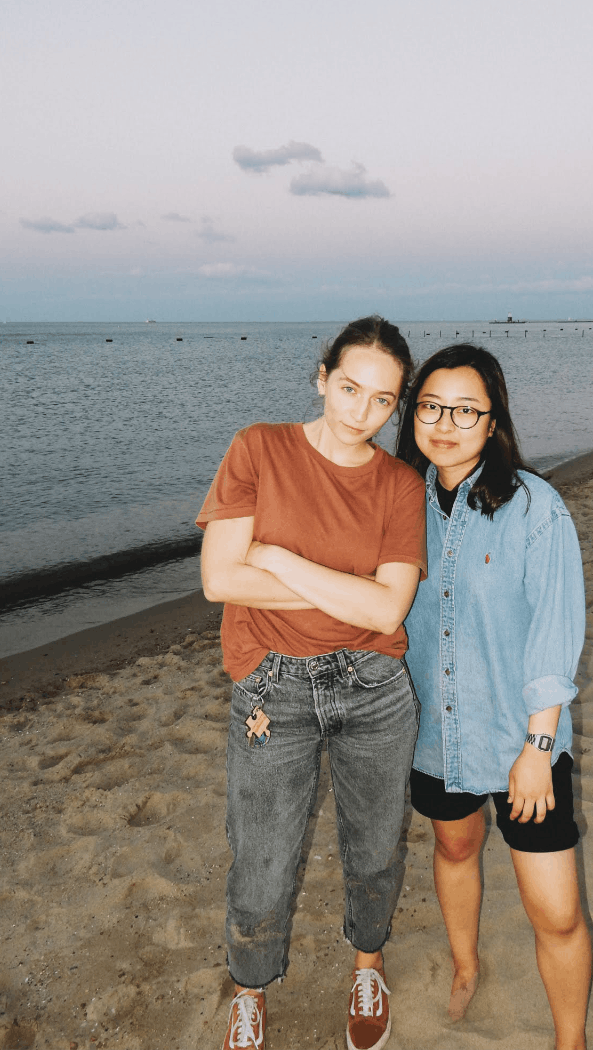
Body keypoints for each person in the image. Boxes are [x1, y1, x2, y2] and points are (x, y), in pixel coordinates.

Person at [197, 316, 427, 1050]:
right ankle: (250, 989)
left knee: (375, 846)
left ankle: (368, 963)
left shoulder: (398, 485)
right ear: (321, 377)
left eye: (383, 401)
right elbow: (217, 580)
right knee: (262, 856)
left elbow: (389, 608)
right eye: (350, 388)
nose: (362, 413)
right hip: (271, 688)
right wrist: (346, 588)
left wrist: (277, 558)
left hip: (374, 687)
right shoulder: (259, 448)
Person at [396, 345, 592, 1050]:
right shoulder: (396, 502)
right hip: (436, 737)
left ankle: (570, 1041)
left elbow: (554, 633)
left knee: (558, 911)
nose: (444, 423)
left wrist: (539, 749)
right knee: (455, 849)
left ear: (493, 419)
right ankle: (465, 964)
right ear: (412, 413)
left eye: (464, 409)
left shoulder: (536, 506)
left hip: (521, 739)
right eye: (430, 406)